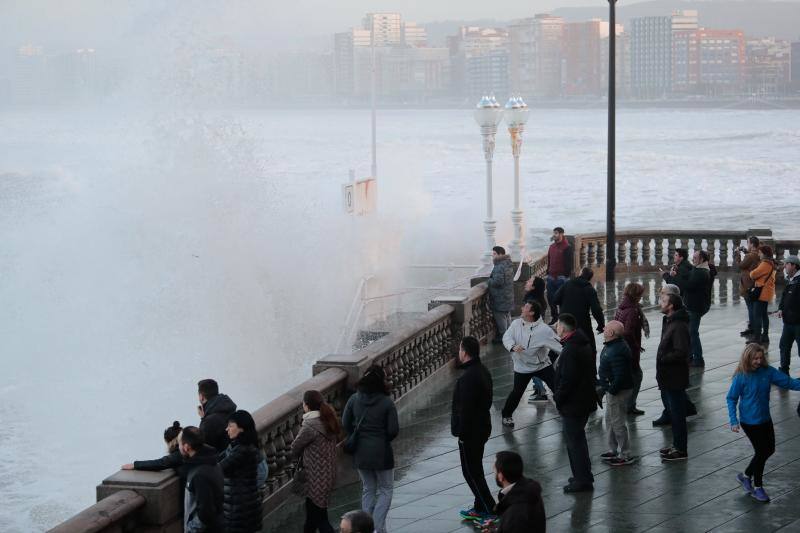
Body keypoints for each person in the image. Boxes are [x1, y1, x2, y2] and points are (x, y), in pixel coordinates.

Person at [726, 343, 800, 502]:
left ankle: (746, 475)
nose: (758, 361)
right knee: (761, 452)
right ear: (748, 358)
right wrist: (733, 420)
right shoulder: (741, 377)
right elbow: (731, 398)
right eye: (755, 358)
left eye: (761, 358)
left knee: (769, 449)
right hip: (749, 422)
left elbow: (789, 383)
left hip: (765, 418)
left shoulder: (768, 371)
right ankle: (758, 487)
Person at [342, 365, 399, 533]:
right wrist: (381, 439)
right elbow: (393, 430)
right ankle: (377, 527)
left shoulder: (354, 399)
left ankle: (364, 528)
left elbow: (345, 423)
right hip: (382, 453)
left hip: (361, 452)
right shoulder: (387, 402)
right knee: (386, 489)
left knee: (368, 488)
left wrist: (357, 434)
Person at [452, 336, 496, 522]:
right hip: (482, 426)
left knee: (471, 472)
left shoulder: (468, 378)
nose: (459, 352)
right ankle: (480, 506)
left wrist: (462, 433)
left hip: (471, 432)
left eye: (460, 349)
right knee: (475, 468)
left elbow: (466, 410)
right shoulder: (482, 371)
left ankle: (488, 508)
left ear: (465, 352)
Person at [500, 300, 563, 428]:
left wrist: (572, 354)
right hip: (522, 367)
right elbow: (506, 337)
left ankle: (566, 411)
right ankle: (506, 416)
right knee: (517, 393)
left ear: (532, 312)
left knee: (558, 388)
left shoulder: (544, 330)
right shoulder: (516, 323)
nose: (522, 308)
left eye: (526, 307)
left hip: (542, 365)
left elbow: (560, 346)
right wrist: (512, 346)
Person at [553, 313, 597, 492]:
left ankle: (582, 480)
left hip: (574, 403)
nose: (556, 328)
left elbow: (568, 379)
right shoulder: (580, 343)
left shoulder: (571, 349)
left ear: (563, 329)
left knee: (574, 442)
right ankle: (582, 475)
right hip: (582, 400)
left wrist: (558, 397)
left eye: (557, 325)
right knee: (577, 440)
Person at [291, 390, 340, 533]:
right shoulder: (327, 419)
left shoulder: (310, 425)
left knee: (320, 519)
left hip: (315, 477)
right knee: (312, 518)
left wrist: (298, 459)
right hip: (328, 474)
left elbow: (294, 447)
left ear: (306, 405)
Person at [656, 293, 691, 462]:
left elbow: (681, 351)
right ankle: (676, 445)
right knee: (673, 412)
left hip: (675, 376)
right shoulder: (670, 322)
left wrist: (663, 359)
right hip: (668, 376)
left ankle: (681, 449)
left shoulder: (678, 325)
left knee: (677, 414)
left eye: (663, 301)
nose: (660, 303)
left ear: (671, 306)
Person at [597, 321, 635, 465]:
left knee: (617, 422)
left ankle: (625, 454)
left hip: (618, 391)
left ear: (611, 333)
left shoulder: (617, 349)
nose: (604, 328)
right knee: (610, 420)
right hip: (613, 389)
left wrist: (611, 390)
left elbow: (620, 375)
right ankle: (613, 449)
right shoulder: (612, 346)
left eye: (606, 327)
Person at [219, 410, 262, 533]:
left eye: (231, 426)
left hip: (240, 511)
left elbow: (219, 468)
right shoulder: (240, 446)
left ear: (241, 429)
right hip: (244, 508)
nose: (227, 429)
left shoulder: (243, 450)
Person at [481, 451, 546, 533]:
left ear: (501, 476)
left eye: (495, 472)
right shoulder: (529, 490)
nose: (494, 475)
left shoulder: (515, 513)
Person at [179, 426, 225, 533]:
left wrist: (190, 529)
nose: (179, 447)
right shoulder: (212, 462)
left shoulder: (199, 474)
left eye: (180, 444)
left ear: (186, 447)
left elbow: (206, 512)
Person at [551, 267, 605, 356]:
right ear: (590, 278)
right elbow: (596, 309)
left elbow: (555, 299)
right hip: (582, 323)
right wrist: (601, 325)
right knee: (590, 348)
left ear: (580, 274)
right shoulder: (589, 289)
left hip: (565, 322)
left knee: (562, 347)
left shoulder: (567, 284)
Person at [614, 282, 648, 415]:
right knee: (637, 376)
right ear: (636, 295)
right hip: (628, 350)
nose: (641, 297)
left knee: (622, 376)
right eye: (640, 295)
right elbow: (628, 332)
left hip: (619, 346)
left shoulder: (621, 307)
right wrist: (636, 346)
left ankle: (601, 392)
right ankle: (630, 405)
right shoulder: (633, 311)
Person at [684, 250, 712, 367]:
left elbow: (688, 285)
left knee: (692, 332)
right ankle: (691, 356)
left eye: (695, 258)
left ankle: (698, 359)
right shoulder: (700, 270)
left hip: (696, 306)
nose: (693, 260)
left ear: (702, 260)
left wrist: (670, 278)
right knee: (691, 332)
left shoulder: (701, 272)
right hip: (695, 305)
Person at [524, 276, 550, 401]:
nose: (526, 282)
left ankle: (541, 391)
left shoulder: (532, 301)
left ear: (533, 287)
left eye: (529, 281)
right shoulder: (538, 298)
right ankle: (538, 389)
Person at [198, 379, 238, 452]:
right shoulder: (229, 407)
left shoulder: (209, 422)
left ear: (201, 397)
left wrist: (204, 420)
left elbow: (202, 448)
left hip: (223, 460)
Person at [748, 246, 777, 345]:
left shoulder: (765, 264)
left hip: (761, 293)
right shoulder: (771, 263)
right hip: (767, 293)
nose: (758, 254)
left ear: (764, 254)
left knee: (757, 316)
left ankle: (757, 337)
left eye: (760, 253)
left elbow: (753, 274)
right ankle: (765, 335)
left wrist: (752, 272)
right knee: (764, 315)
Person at [546, 227, 573, 324]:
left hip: (562, 278)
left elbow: (569, 264)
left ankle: (562, 319)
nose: (554, 235)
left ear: (562, 234)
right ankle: (555, 317)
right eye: (554, 233)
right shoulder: (551, 247)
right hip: (551, 277)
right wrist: (548, 272)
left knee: (562, 300)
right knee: (550, 299)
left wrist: (565, 276)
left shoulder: (567, 247)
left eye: (556, 233)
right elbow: (549, 260)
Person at [487, 246, 515, 343]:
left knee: (500, 316)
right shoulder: (508, 263)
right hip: (508, 294)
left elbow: (498, 282)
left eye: (494, 254)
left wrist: (489, 280)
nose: (493, 256)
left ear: (500, 254)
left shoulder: (499, 266)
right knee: (507, 315)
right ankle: (509, 335)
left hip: (500, 297)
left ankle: (504, 337)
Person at [778, 256, 800, 374]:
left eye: (787, 264)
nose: (785, 266)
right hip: (788, 322)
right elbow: (785, 297)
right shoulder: (791, 280)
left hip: (797, 323)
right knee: (784, 346)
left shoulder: (798, 281)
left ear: (794, 266)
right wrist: (781, 309)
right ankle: (784, 370)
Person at [738, 236, 761, 338]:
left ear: (752, 244)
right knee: (752, 307)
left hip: (747, 284)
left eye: (748, 243)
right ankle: (753, 328)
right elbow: (751, 258)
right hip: (753, 283)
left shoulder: (750, 256)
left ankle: (752, 328)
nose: (747, 244)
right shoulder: (757, 254)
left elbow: (740, 265)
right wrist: (745, 252)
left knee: (750, 307)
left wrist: (736, 254)